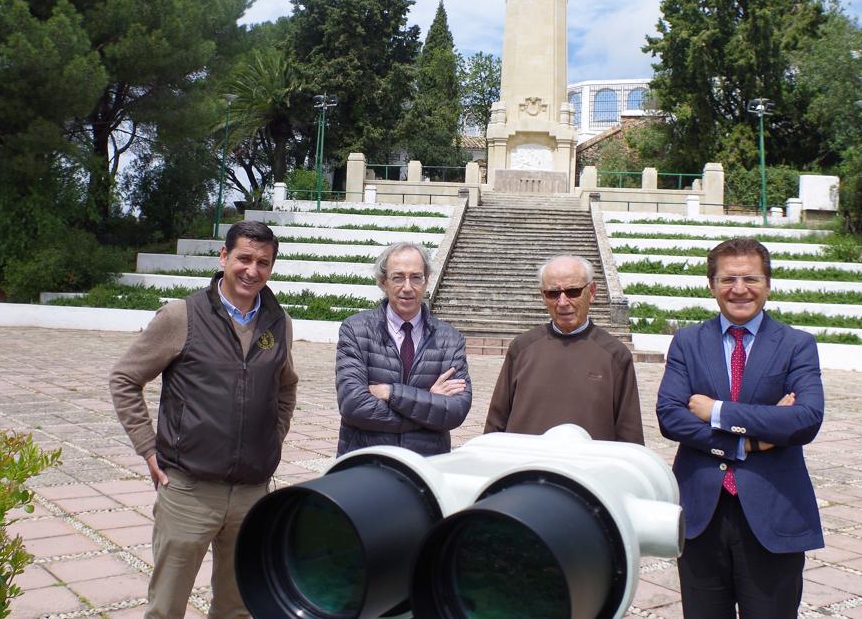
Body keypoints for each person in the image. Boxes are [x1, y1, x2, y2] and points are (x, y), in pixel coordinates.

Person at [109, 220, 297, 619]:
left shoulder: (279, 323)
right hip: (189, 491)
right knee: (166, 607)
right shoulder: (182, 316)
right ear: (224, 257)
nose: (252, 270)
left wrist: (274, 438)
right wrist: (147, 447)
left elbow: (285, 387)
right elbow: (125, 378)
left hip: (251, 493)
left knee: (238, 608)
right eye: (244, 258)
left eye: (263, 262)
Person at [655, 237, 825, 619]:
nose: (739, 289)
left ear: (768, 283)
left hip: (773, 509)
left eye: (751, 278)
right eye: (728, 279)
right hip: (701, 513)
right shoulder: (687, 342)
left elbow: (805, 418)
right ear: (711, 285)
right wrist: (748, 443)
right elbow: (670, 415)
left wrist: (716, 410)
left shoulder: (797, 345)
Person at [484, 254, 644, 444]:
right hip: (525, 467)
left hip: (587, 470)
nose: (562, 302)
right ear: (543, 296)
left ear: (591, 292)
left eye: (573, 292)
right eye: (553, 293)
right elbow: (496, 423)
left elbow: (629, 436)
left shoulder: (615, 355)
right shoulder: (522, 348)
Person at [335, 241, 471, 455]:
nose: (407, 287)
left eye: (416, 277)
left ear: (426, 281)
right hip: (366, 462)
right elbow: (353, 405)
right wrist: (428, 402)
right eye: (398, 277)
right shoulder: (356, 330)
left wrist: (391, 392)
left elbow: (456, 411)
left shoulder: (450, 339)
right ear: (383, 282)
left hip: (426, 465)